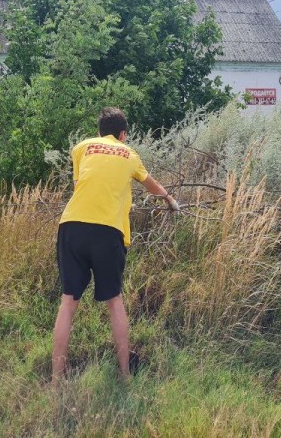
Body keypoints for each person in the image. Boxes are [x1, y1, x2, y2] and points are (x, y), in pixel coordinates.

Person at [51, 107, 179, 383]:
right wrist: (169, 200)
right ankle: (124, 374)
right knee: (114, 301)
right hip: (108, 231)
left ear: (99, 131)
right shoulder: (129, 154)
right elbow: (152, 186)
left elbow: (79, 186)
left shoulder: (81, 147)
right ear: (123, 134)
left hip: (71, 225)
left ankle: (55, 380)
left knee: (68, 302)